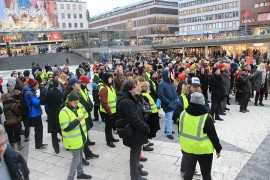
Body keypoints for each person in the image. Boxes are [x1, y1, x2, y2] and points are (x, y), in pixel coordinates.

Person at [179, 92, 222, 180]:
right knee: (206, 174)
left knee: (188, 172)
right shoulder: (206, 117)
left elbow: (180, 131)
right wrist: (218, 149)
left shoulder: (183, 114)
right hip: (204, 151)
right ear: (202, 102)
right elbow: (213, 136)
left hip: (188, 149)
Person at [117, 80, 150, 180]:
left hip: (136, 132)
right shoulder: (127, 102)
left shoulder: (131, 98)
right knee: (134, 155)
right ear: (131, 89)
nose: (137, 88)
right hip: (133, 132)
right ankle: (135, 176)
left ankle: (138, 169)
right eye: (135, 86)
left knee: (136, 152)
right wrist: (146, 128)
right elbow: (134, 119)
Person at [59, 91, 92, 180]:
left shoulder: (78, 108)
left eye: (77, 102)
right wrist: (77, 120)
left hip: (80, 139)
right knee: (76, 160)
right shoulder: (63, 112)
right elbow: (66, 127)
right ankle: (70, 178)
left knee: (80, 157)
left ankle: (80, 174)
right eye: (75, 102)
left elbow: (84, 117)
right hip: (72, 141)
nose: (77, 104)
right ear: (69, 102)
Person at [40, 79, 64, 154]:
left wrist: (42, 94)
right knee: (62, 131)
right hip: (60, 114)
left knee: (54, 133)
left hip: (52, 115)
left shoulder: (49, 93)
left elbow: (42, 102)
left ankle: (56, 149)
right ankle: (67, 145)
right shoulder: (61, 93)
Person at [23, 79, 47, 149]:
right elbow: (36, 103)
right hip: (34, 113)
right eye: (36, 84)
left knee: (39, 129)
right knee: (38, 129)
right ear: (33, 85)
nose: (38, 85)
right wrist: (42, 97)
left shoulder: (30, 91)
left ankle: (39, 143)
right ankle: (38, 145)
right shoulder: (29, 93)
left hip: (35, 112)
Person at [99, 73, 119, 147]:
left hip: (112, 111)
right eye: (110, 78)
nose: (111, 79)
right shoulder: (103, 88)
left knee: (111, 126)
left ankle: (111, 138)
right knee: (108, 127)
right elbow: (104, 102)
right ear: (106, 79)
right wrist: (109, 112)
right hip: (108, 112)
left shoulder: (110, 86)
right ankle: (108, 141)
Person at [158, 68, 177, 140]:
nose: (170, 74)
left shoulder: (171, 81)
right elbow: (160, 95)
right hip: (167, 103)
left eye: (170, 73)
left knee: (169, 117)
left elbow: (174, 91)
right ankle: (169, 132)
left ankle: (167, 129)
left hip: (172, 102)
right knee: (169, 117)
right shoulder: (161, 83)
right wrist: (167, 101)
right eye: (169, 73)